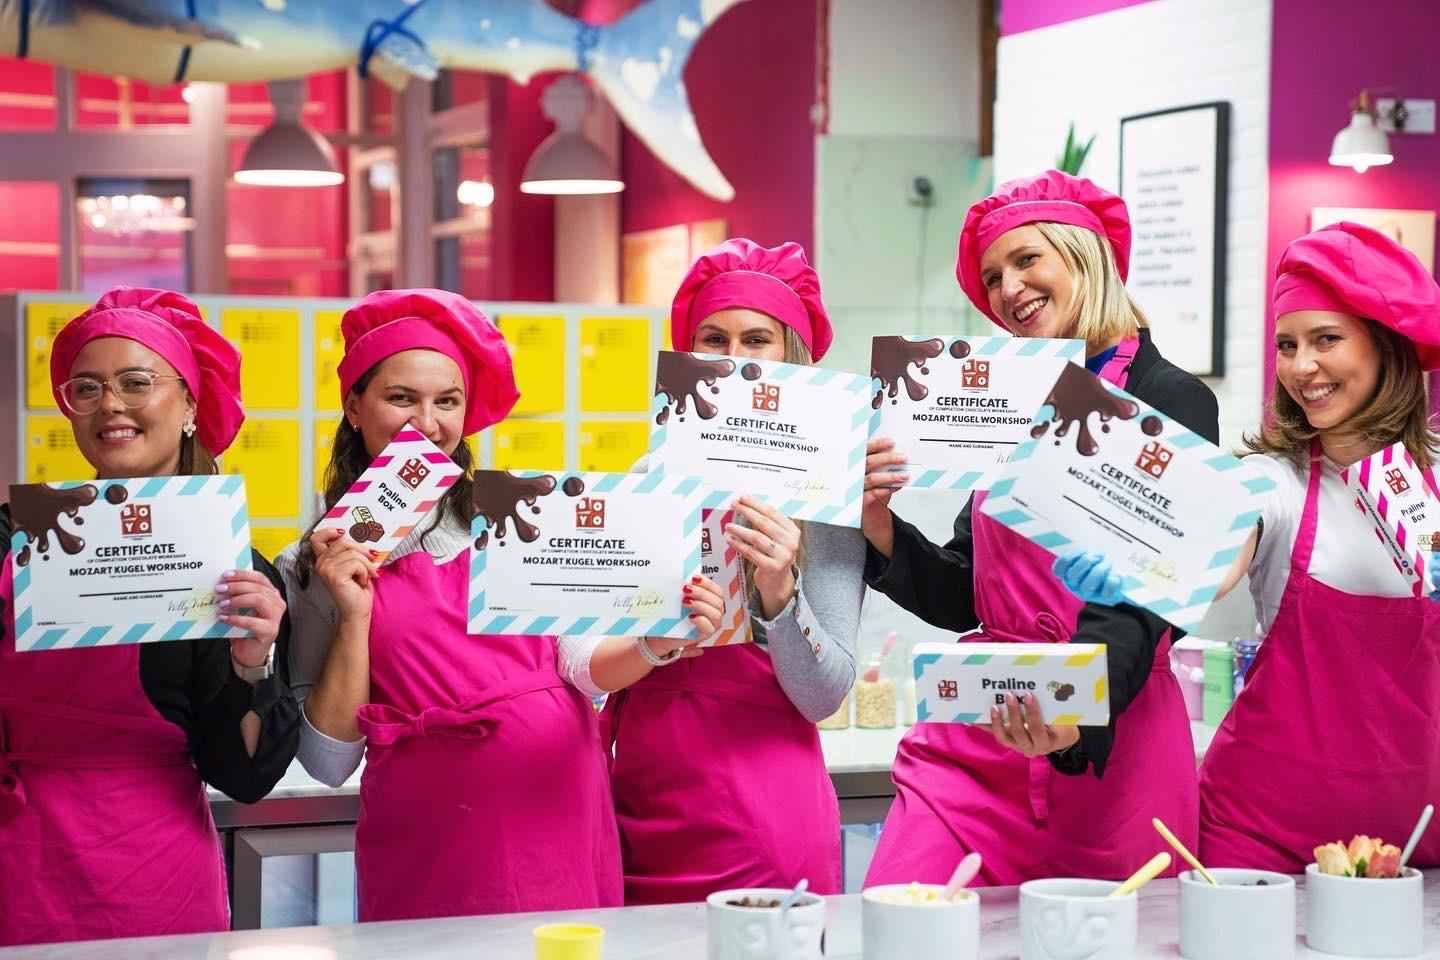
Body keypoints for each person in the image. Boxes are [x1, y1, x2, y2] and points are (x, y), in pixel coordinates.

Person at [861, 172, 1218, 887]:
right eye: (993, 277)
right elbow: (966, 592)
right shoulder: (1011, 400)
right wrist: (877, 521)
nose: (1008, 289)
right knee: (899, 916)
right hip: (981, 737)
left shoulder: (1171, 398)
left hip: (1110, 745)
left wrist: (1074, 711)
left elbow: (1151, 595)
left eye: (1027, 260)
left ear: (1084, 255)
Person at [1096, 222, 1437, 871]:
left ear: (1385, 346)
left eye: (1326, 340)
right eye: (1287, 345)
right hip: (1259, 833)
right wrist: (1150, 558)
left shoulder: (1435, 485)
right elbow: (1218, 555)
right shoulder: (1272, 481)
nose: (1302, 367)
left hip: (1421, 835)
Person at [277, 289, 622, 921]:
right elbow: (328, 762)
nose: (426, 423)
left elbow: (582, 666)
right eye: (401, 398)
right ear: (354, 406)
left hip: (558, 810)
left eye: (447, 401)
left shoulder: (519, 520)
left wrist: (658, 637)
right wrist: (353, 615)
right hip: (429, 836)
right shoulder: (311, 563)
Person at [0, 287, 297, 945]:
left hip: (150, 881)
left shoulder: (235, 575)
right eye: (87, 389)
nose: (110, 404)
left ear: (190, 405)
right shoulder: (13, 540)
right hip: (15, 863)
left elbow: (243, 777)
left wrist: (253, 665)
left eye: (136, 383)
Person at [594, 239, 865, 904]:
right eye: (714, 340)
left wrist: (779, 591)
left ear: (791, 358)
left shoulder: (827, 498)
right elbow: (593, 656)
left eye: (757, 340)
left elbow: (824, 696)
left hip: (765, 815)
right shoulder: (645, 481)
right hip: (642, 798)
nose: (735, 358)